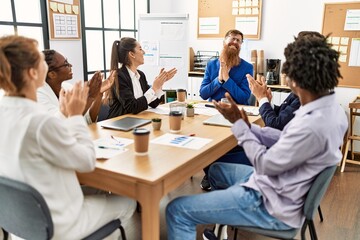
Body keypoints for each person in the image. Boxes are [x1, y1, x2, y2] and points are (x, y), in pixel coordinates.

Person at [166, 33, 347, 239]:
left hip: (271, 203)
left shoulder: (311, 125)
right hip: (280, 185)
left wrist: (240, 126)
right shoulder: (331, 111)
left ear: (295, 80)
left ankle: (231, 208)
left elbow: (263, 164)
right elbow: (283, 138)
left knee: (177, 210)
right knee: (216, 170)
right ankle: (223, 220)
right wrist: (251, 128)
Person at [0, 35, 136, 239]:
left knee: (99, 190)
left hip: (21, 223)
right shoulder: (39, 121)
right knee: (128, 203)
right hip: (58, 223)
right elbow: (86, 161)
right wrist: (73, 116)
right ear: (32, 72)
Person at [200, 76, 300, 192]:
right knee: (214, 149)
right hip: (273, 148)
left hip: (270, 158)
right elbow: (282, 116)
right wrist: (266, 102)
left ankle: (232, 194)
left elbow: (275, 126)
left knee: (210, 158)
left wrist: (262, 99)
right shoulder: (303, 94)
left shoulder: (302, 98)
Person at [105, 37, 177, 118]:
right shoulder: (118, 77)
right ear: (132, 54)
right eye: (140, 49)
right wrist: (153, 88)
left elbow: (153, 104)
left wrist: (159, 85)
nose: (144, 52)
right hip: (119, 123)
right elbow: (132, 107)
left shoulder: (141, 75)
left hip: (136, 120)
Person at [37, 49, 116, 124]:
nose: (70, 65)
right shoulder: (39, 95)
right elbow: (59, 124)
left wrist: (98, 93)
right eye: (66, 64)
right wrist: (90, 97)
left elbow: (88, 120)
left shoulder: (68, 87)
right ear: (52, 74)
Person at [199, 29, 252, 104]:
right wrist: (219, 80)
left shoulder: (247, 67)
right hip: (214, 109)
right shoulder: (211, 64)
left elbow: (243, 98)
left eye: (238, 40)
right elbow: (203, 94)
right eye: (233, 38)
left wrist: (227, 80)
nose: (235, 42)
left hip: (236, 110)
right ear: (224, 42)